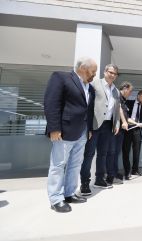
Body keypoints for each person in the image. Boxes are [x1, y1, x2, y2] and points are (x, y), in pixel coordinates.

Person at [44, 57, 97, 213]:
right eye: (92, 71)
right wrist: (54, 128)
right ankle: (56, 199)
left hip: (82, 132)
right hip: (64, 131)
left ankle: (69, 193)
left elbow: (89, 110)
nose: (94, 74)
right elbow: (51, 102)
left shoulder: (90, 88)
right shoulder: (61, 77)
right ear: (82, 68)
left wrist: (89, 130)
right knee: (58, 165)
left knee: (75, 164)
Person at [80, 64, 121, 195]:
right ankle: (85, 183)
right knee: (89, 154)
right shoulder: (95, 84)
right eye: (111, 72)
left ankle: (99, 179)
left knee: (103, 154)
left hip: (109, 126)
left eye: (115, 74)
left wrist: (117, 123)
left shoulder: (116, 91)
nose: (113, 75)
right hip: (95, 125)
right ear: (105, 72)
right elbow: (88, 104)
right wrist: (88, 126)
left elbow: (116, 109)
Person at [106, 81, 133, 183]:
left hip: (121, 131)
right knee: (112, 152)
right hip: (115, 129)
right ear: (125, 88)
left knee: (116, 153)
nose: (130, 93)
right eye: (130, 91)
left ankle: (114, 173)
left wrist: (137, 123)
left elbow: (126, 117)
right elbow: (119, 110)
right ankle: (111, 175)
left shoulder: (124, 101)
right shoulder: (118, 96)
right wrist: (125, 122)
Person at [123, 90, 142, 180]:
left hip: (137, 130)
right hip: (128, 129)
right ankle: (127, 172)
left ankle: (135, 170)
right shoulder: (129, 103)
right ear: (138, 96)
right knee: (126, 151)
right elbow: (125, 115)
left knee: (136, 151)